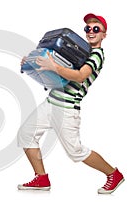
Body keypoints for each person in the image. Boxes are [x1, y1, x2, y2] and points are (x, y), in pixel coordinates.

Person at [17, 13, 124, 194]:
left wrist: (54, 67)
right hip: (51, 101)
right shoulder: (80, 51)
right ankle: (41, 178)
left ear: (104, 34)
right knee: (26, 135)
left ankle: (114, 174)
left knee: (76, 152)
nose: (91, 31)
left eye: (96, 29)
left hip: (66, 109)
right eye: (88, 28)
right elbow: (56, 74)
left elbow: (80, 76)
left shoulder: (97, 55)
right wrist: (32, 63)